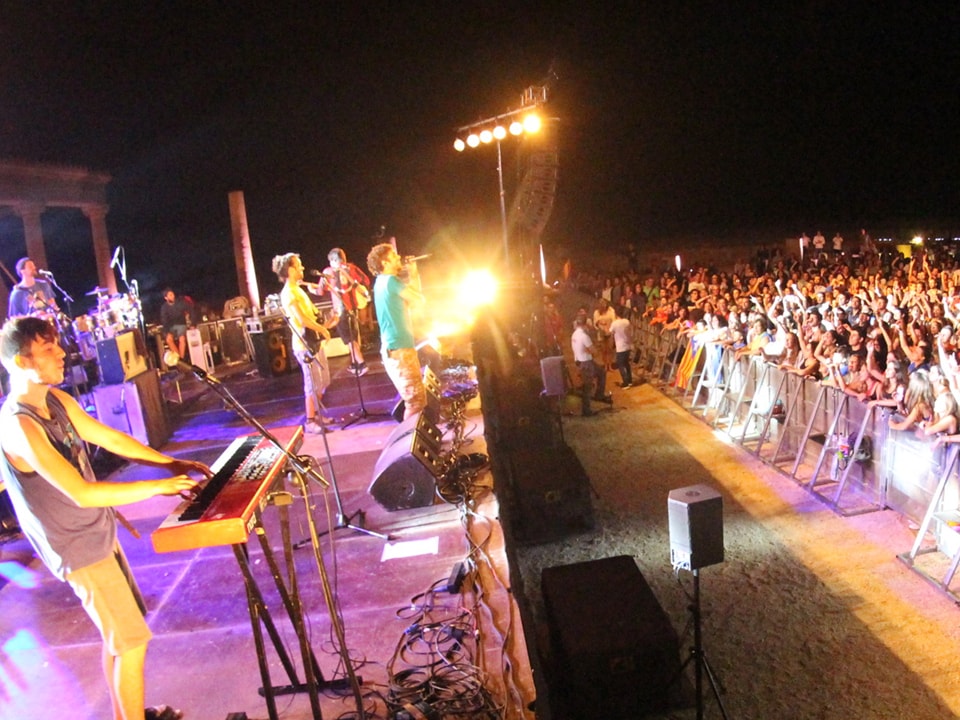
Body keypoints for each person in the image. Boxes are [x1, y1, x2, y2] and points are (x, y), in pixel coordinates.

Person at [0, 316, 210, 720]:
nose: (62, 353)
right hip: (75, 545)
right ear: (20, 363)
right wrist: (158, 487)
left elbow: (108, 437)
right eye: (48, 350)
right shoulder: (19, 425)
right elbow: (80, 492)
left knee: (117, 637)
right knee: (131, 641)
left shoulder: (55, 401)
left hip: (94, 530)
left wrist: (167, 462)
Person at [271, 253, 333, 435]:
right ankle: (310, 420)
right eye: (299, 265)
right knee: (312, 384)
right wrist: (322, 329)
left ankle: (318, 414)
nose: (302, 268)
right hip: (304, 345)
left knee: (323, 380)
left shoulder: (298, 289)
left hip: (314, 341)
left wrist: (325, 323)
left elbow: (311, 314)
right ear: (290, 270)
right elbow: (302, 319)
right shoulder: (289, 293)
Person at [366, 243, 426, 420]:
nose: (399, 258)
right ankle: (409, 443)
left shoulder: (381, 282)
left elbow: (413, 298)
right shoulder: (391, 281)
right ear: (385, 262)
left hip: (397, 348)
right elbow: (418, 299)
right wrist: (413, 273)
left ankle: (413, 440)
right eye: (394, 256)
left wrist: (413, 273)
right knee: (415, 403)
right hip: (399, 349)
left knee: (417, 400)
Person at [321, 247, 371, 376]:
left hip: (340, 309)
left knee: (349, 338)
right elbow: (366, 281)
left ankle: (361, 363)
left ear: (332, 260)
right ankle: (355, 362)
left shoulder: (328, 272)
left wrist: (311, 288)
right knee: (353, 336)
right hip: (353, 308)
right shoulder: (352, 268)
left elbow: (321, 291)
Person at [571, 314, 612, 417]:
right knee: (587, 387)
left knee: (601, 372)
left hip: (581, 361)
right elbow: (594, 352)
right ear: (585, 324)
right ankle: (586, 410)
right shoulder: (584, 336)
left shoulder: (574, 335)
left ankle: (599, 394)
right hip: (586, 363)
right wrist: (594, 349)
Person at [159, 288, 192, 359]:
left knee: (182, 339)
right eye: (170, 295)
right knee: (168, 339)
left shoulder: (180, 303)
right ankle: (179, 358)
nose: (173, 296)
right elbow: (164, 320)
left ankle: (181, 359)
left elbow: (190, 309)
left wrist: (192, 322)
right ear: (166, 298)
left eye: (173, 294)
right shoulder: (164, 307)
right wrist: (167, 331)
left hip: (181, 324)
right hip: (171, 326)